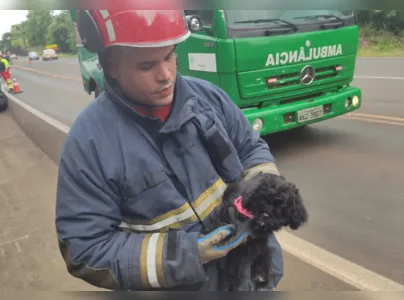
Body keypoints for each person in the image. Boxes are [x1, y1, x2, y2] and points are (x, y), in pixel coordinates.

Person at [55, 8, 284, 291]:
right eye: (147, 66)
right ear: (111, 65)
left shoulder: (209, 98)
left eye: (169, 56)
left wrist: (268, 190)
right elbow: (86, 248)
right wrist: (185, 254)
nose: (165, 75)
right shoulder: (89, 143)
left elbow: (251, 149)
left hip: (253, 277)